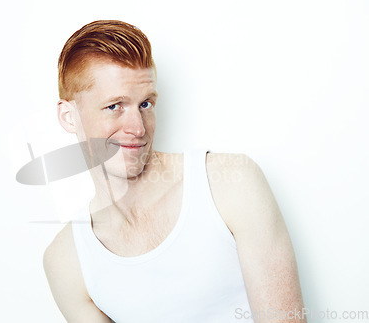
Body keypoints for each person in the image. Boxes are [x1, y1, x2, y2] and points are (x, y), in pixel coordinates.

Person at [43, 20, 306, 323]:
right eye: (114, 106)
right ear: (68, 116)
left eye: (146, 104)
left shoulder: (229, 182)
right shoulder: (67, 260)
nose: (138, 128)